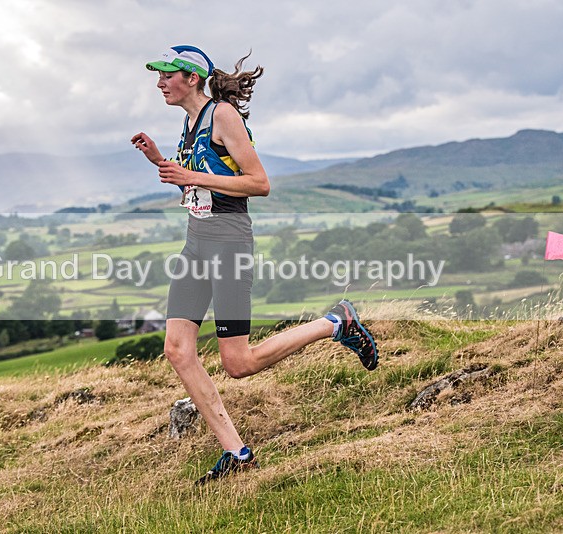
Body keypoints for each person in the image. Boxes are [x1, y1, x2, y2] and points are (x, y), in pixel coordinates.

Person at [131, 45, 378, 485]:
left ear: (191, 77)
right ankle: (237, 454)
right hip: (196, 241)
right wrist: (161, 163)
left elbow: (258, 183)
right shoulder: (188, 123)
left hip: (228, 241)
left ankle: (336, 322)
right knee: (177, 349)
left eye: (167, 75)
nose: (159, 83)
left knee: (238, 362)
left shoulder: (223, 115)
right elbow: (199, 180)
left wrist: (191, 176)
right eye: (158, 76)